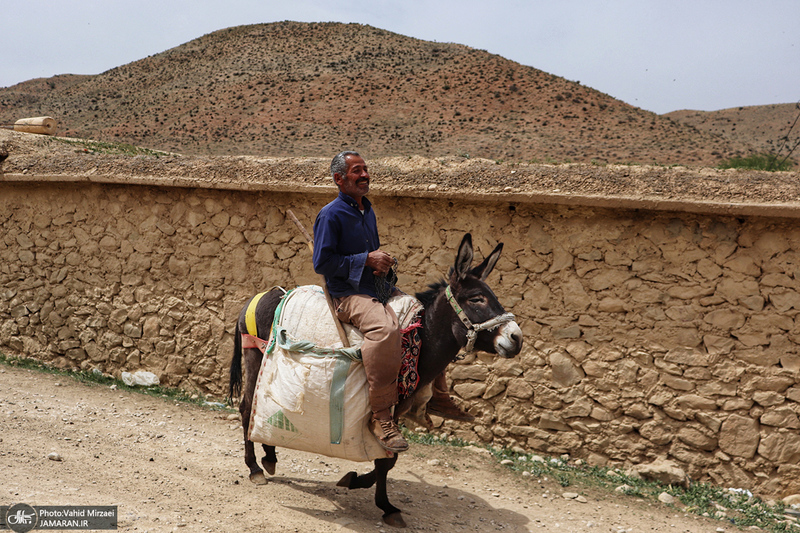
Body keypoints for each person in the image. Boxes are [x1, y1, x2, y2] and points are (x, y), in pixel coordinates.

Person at [312, 150, 409, 453]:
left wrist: (379, 264)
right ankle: (381, 417)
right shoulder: (331, 214)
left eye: (365, 169)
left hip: (372, 285)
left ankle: (439, 395)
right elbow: (322, 263)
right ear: (339, 179)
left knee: (424, 314)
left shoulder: (368, 210)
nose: (365, 175)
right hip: (348, 294)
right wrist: (366, 259)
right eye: (357, 171)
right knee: (384, 331)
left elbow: (369, 258)